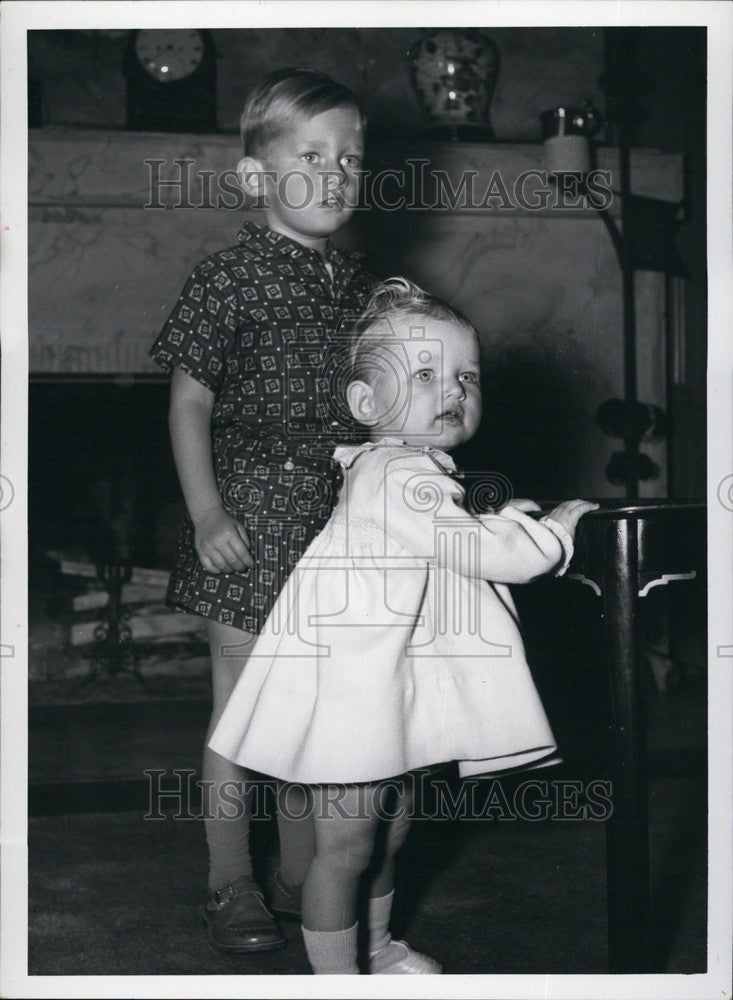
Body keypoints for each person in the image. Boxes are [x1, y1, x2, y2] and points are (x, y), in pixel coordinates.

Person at [209, 277, 599, 973]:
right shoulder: (395, 474)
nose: (451, 389)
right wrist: (553, 535)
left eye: (465, 376)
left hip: (384, 690)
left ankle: (380, 949)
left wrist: (495, 520)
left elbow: (446, 541)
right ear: (366, 404)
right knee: (346, 847)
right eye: (424, 374)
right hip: (350, 698)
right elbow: (483, 553)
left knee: (387, 835)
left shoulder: (410, 471)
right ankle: (338, 977)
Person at [150, 68, 376, 952]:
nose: (335, 174)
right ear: (255, 177)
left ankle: (295, 876)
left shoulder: (359, 286)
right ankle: (229, 881)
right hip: (247, 519)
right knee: (244, 711)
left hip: (334, 524)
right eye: (311, 156)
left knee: (315, 711)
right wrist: (207, 514)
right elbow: (188, 404)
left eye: (350, 159)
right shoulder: (228, 278)